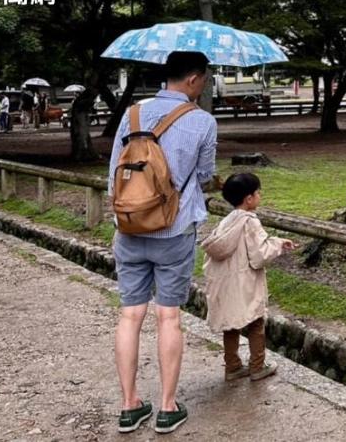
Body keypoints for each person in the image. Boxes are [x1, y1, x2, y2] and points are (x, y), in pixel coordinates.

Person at [108, 51, 217, 434]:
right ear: (192, 80)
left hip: (129, 227)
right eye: (203, 79)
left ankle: (129, 405)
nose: (203, 86)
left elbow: (114, 173)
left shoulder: (132, 114)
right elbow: (204, 174)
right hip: (174, 229)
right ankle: (168, 408)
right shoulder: (202, 121)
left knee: (130, 315)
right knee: (168, 316)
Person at [201, 173, 294, 383]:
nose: (260, 196)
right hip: (245, 283)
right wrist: (278, 244)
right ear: (249, 198)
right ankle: (257, 366)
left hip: (227, 283)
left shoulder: (227, 221)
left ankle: (232, 366)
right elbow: (259, 255)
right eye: (258, 192)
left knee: (231, 325)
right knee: (256, 322)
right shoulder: (250, 222)